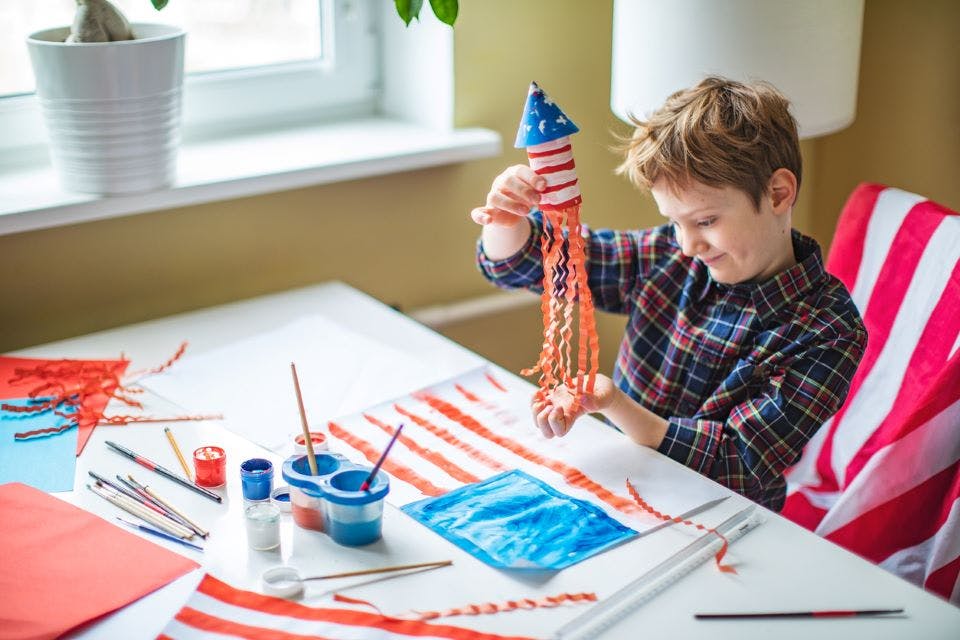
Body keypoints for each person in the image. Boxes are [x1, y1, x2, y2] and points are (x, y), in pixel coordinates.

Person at [471, 76, 867, 511]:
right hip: (620, 489)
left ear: (777, 193)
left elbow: (738, 460)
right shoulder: (668, 256)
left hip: (725, 516)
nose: (687, 244)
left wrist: (615, 405)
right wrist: (505, 219)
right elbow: (527, 263)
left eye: (706, 221)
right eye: (675, 222)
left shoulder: (829, 331)